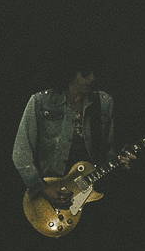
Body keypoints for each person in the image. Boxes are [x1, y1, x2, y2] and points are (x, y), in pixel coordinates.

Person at [12, 56, 133, 208]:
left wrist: (120, 161)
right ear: (70, 73)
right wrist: (42, 188)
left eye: (94, 73)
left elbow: (108, 150)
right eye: (85, 73)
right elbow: (21, 153)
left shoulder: (104, 102)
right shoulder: (40, 102)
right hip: (51, 195)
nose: (92, 78)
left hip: (92, 193)